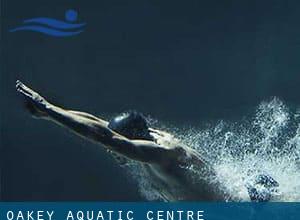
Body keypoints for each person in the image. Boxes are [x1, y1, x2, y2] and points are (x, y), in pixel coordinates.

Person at [15, 80, 277, 201]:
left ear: (132, 140)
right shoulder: (146, 139)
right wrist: (51, 113)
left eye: (115, 146)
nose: (111, 151)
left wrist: (48, 109)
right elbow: (99, 126)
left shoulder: (161, 154)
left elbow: (105, 137)